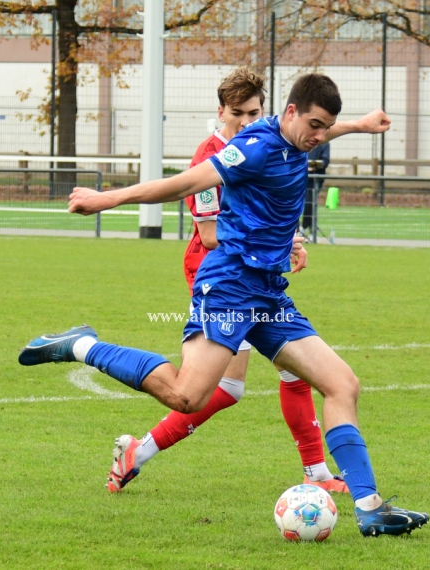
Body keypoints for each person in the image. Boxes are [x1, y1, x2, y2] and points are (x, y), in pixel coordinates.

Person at [19, 73, 429, 537]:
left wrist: (358, 125)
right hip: (230, 285)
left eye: (325, 127)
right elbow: (186, 182)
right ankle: (80, 345)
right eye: (314, 125)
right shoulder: (253, 148)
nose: (319, 136)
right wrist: (107, 198)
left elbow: (320, 132)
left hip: (268, 291)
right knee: (188, 396)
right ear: (291, 112)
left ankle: (371, 509)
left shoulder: (295, 137)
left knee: (342, 384)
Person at [106, 68, 347, 496]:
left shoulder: (272, 142)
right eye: (238, 114)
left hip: (257, 273)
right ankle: (138, 450)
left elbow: (312, 140)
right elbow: (210, 235)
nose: (246, 121)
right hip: (220, 273)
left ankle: (316, 472)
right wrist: (277, 242)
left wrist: (285, 240)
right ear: (221, 113)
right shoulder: (212, 156)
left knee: (295, 372)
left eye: (254, 112)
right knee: (227, 387)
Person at [301, 141, 330, 234]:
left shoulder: (325, 144)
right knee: (300, 203)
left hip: (315, 180)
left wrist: (313, 165)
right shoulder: (304, 141)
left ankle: (306, 228)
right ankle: (300, 228)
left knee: (310, 202)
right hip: (302, 177)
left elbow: (325, 161)